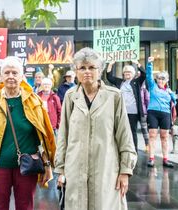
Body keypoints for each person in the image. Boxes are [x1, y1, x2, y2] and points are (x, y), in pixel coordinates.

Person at [0, 56, 56, 210]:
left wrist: (48, 161)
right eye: (7, 72)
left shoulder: (34, 102)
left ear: (22, 76)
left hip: (27, 166)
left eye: (14, 73)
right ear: (1, 76)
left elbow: (45, 135)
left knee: (25, 206)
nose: (10, 76)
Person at [54, 48, 137, 210]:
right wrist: (61, 169)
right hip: (75, 168)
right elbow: (63, 135)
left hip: (107, 168)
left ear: (99, 71)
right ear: (76, 71)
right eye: (82, 68)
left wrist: (125, 171)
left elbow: (125, 136)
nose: (87, 72)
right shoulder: (71, 96)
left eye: (92, 67)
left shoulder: (114, 96)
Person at [106, 61, 146, 152]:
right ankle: (122, 150)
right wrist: (110, 65)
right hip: (121, 111)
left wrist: (137, 64)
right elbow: (109, 77)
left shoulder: (136, 82)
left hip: (133, 112)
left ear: (133, 74)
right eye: (125, 72)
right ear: (123, 74)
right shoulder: (120, 82)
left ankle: (134, 151)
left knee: (132, 132)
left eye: (129, 72)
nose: (127, 74)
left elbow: (144, 74)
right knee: (121, 131)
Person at [145, 57, 177, 168]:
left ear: (166, 80)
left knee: (165, 137)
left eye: (163, 79)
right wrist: (150, 63)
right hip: (153, 113)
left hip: (165, 114)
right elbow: (148, 75)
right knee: (152, 135)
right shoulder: (152, 86)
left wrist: (174, 97)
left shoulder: (169, 91)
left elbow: (174, 103)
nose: (160, 80)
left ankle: (165, 159)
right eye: (158, 78)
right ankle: (151, 158)